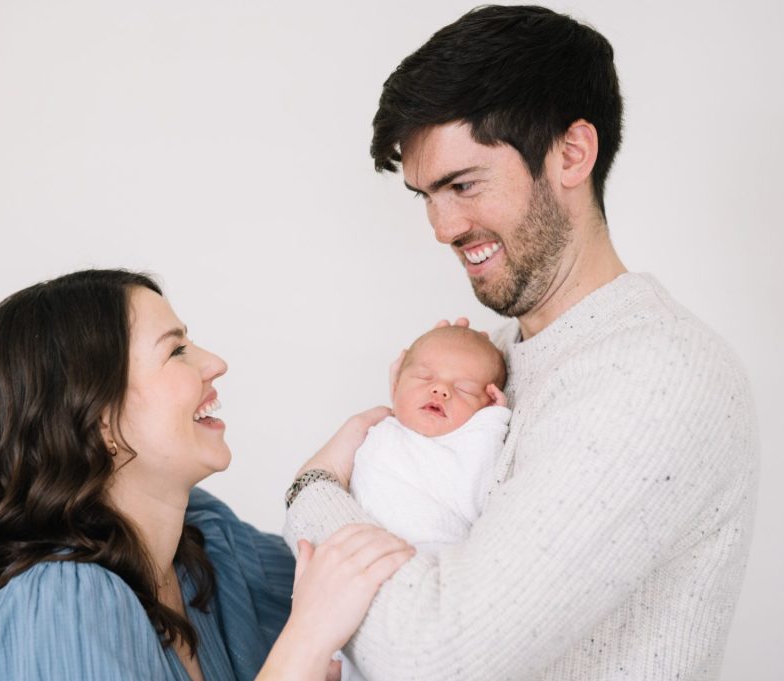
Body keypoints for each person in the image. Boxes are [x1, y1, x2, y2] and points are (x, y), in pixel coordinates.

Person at [283, 6, 758, 680]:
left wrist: (314, 489)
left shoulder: (657, 374)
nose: (442, 227)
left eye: (463, 184)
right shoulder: (492, 357)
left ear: (571, 154)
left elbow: (434, 652)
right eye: (425, 195)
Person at [0, 269, 414, 681]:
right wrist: (303, 643)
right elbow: (319, 613)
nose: (214, 364)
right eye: (175, 350)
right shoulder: (53, 607)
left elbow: (371, 586)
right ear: (100, 419)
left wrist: (436, 416)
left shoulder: (211, 549)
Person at [350, 326, 511, 550]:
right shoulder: (377, 427)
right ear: (395, 385)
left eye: (464, 389)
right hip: (347, 546)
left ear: (487, 407)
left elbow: (478, 492)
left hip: (425, 556)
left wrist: (490, 423)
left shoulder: (469, 450)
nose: (440, 389)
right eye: (424, 377)